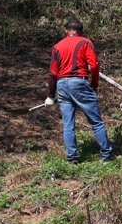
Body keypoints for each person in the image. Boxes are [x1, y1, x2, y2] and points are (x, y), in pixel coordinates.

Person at [44, 19, 113, 163]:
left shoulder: (57, 46)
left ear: (66, 30)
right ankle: (107, 155)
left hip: (62, 85)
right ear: (81, 31)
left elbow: (53, 73)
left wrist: (50, 96)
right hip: (79, 83)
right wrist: (94, 86)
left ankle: (72, 158)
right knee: (96, 122)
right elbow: (94, 66)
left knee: (68, 124)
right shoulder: (85, 42)